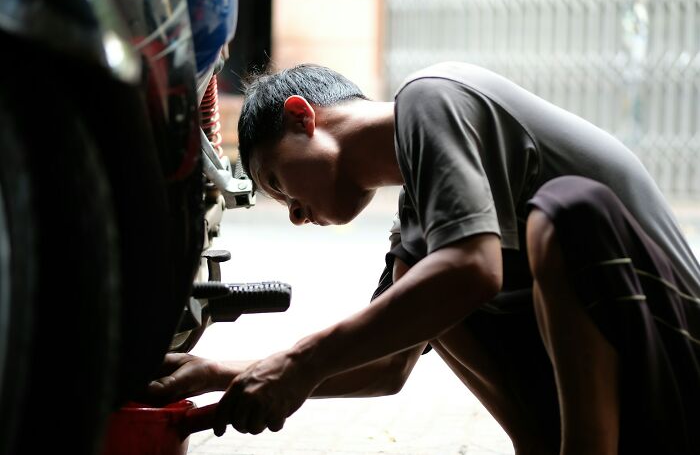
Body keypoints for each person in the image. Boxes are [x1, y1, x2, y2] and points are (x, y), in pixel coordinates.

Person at [147, 62, 700, 454]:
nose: (294, 215)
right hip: (635, 404)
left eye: (277, 182)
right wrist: (221, 376)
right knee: (421, 290)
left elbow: (472, 269)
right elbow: (388, 365)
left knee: (564, 212)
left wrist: (300, 362)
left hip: (677, 360)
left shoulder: (433, 96)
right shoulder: (421, 215)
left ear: (302, 118)